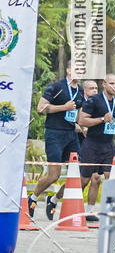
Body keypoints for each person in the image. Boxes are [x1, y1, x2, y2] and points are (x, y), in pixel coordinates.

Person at [28, 60, 84, 220]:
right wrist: (63, 107)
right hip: (55, 134)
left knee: (78, 174)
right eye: (76, 68)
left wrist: (84, 126)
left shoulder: (80, 91)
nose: (79, 71)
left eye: (81, 69)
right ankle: (33, 197)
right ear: (68, 70)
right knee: (54, 175)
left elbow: (78, 116)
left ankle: (53, 199)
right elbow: (41, 108)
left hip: (71, 135)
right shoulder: (56, 87)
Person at [78, 74, 115, 222]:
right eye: (111, 83)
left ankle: (101, 211)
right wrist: (101, 119)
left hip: (108, 145)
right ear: (104, 84)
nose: (114, 86)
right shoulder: (94, 100)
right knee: (86, 180)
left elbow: (110, 123)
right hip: (92, 144)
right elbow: (82, 120)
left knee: (110, 178)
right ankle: (58, 199)